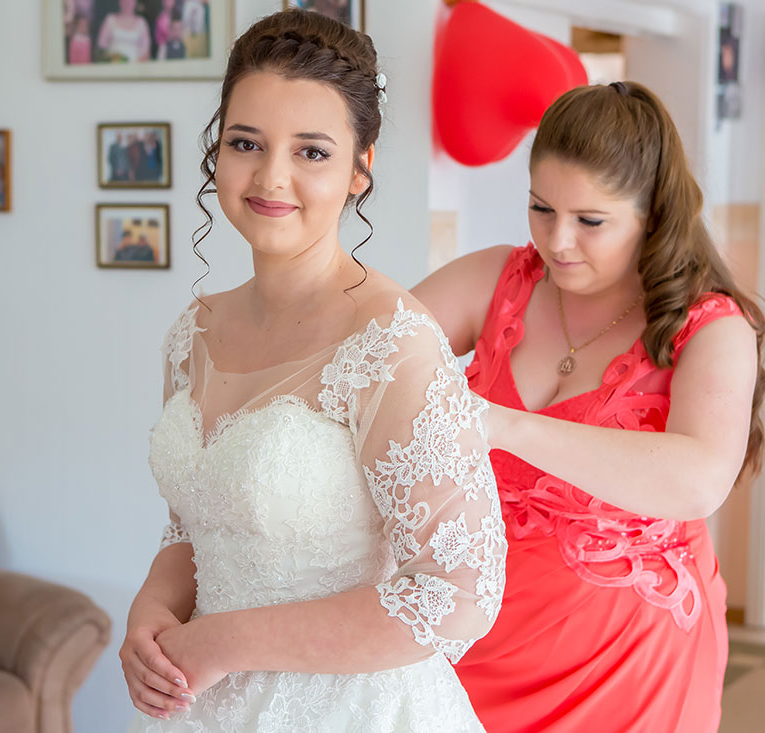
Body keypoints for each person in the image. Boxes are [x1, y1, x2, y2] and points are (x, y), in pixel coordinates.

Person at [121, 9, 505, 731]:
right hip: (198, 703)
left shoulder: (392, 343)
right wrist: (153, 605)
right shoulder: (192, 334)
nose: (271, 176)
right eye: (246, 143)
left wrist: (228, 638)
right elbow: (195, 524)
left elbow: (457, 591)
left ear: (362, 168)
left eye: (312, 151)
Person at [412, 81, 765, 733]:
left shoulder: (711, 329)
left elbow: (698, 480)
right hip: (475, 634)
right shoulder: (496, 279)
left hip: (626, 666)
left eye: (590, 220)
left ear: (653, 213)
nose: (559, 240)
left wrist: (503, 425)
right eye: (541, 209)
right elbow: (366, 360)